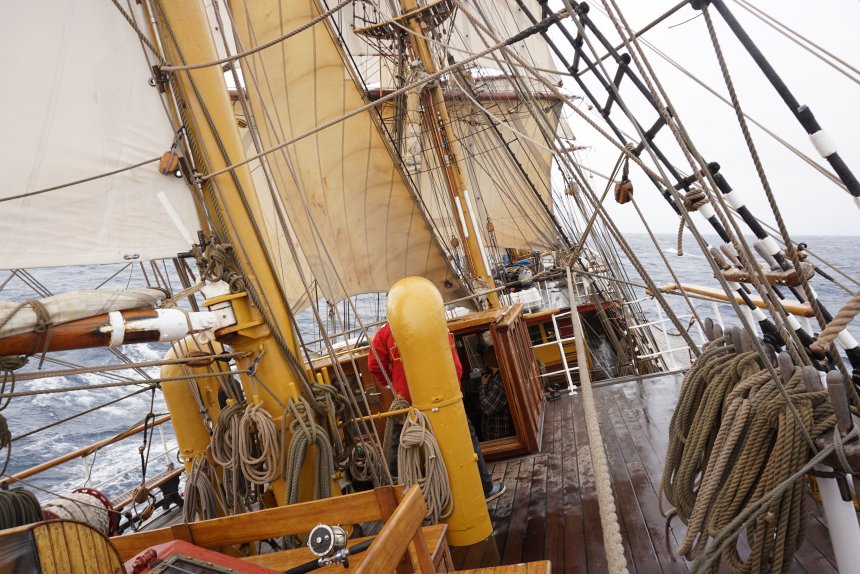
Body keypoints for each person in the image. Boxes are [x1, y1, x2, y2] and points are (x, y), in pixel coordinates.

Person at [368, 323, 506, 502]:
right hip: (443, 397)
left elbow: (374, 365)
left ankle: (398, 502)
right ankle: (485, 488)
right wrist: (453, 388)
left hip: (408, 401)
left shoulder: (387, 330)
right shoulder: (433, 318)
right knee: (467, 437)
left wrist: (394, 382)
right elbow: (455, 365)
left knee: (401, 447)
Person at [479, 348, 515, 440]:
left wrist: (483, 386)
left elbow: (487, 409)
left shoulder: (499, 381)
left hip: (498, 435)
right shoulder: (496, 377)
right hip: (497, 432)